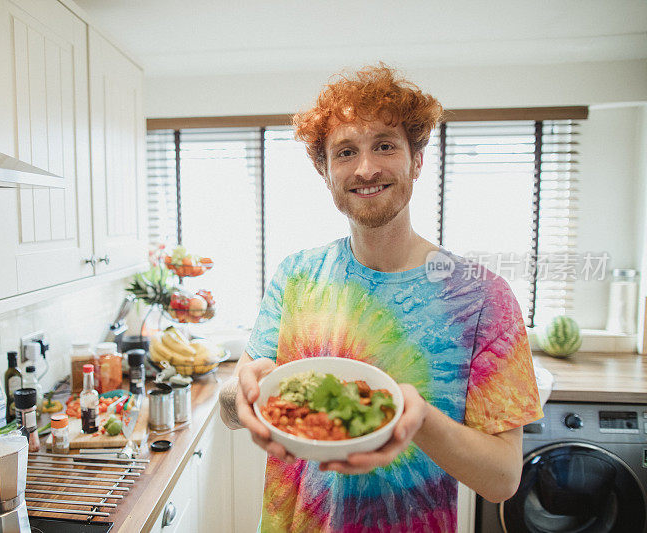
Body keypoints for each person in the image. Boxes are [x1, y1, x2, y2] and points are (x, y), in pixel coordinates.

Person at [218, 63, 543, 532]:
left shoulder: (483, 298)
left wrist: (420, 419)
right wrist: (240, 392)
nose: (366, 168)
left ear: (417, 161)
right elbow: (233, 407)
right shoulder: (297, 277)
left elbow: (503, 479)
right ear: (325, 171)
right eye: (346, 151)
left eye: (385, 145)